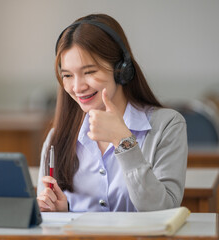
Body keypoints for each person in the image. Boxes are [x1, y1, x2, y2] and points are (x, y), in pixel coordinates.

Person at [36, 13, 187, 212]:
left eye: (89, 72)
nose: (78, 86)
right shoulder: (57, 137)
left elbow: (162, 211)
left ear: (121, 69)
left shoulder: (167, 126)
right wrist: (61, 212)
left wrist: (123, 141)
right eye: (67, 75)